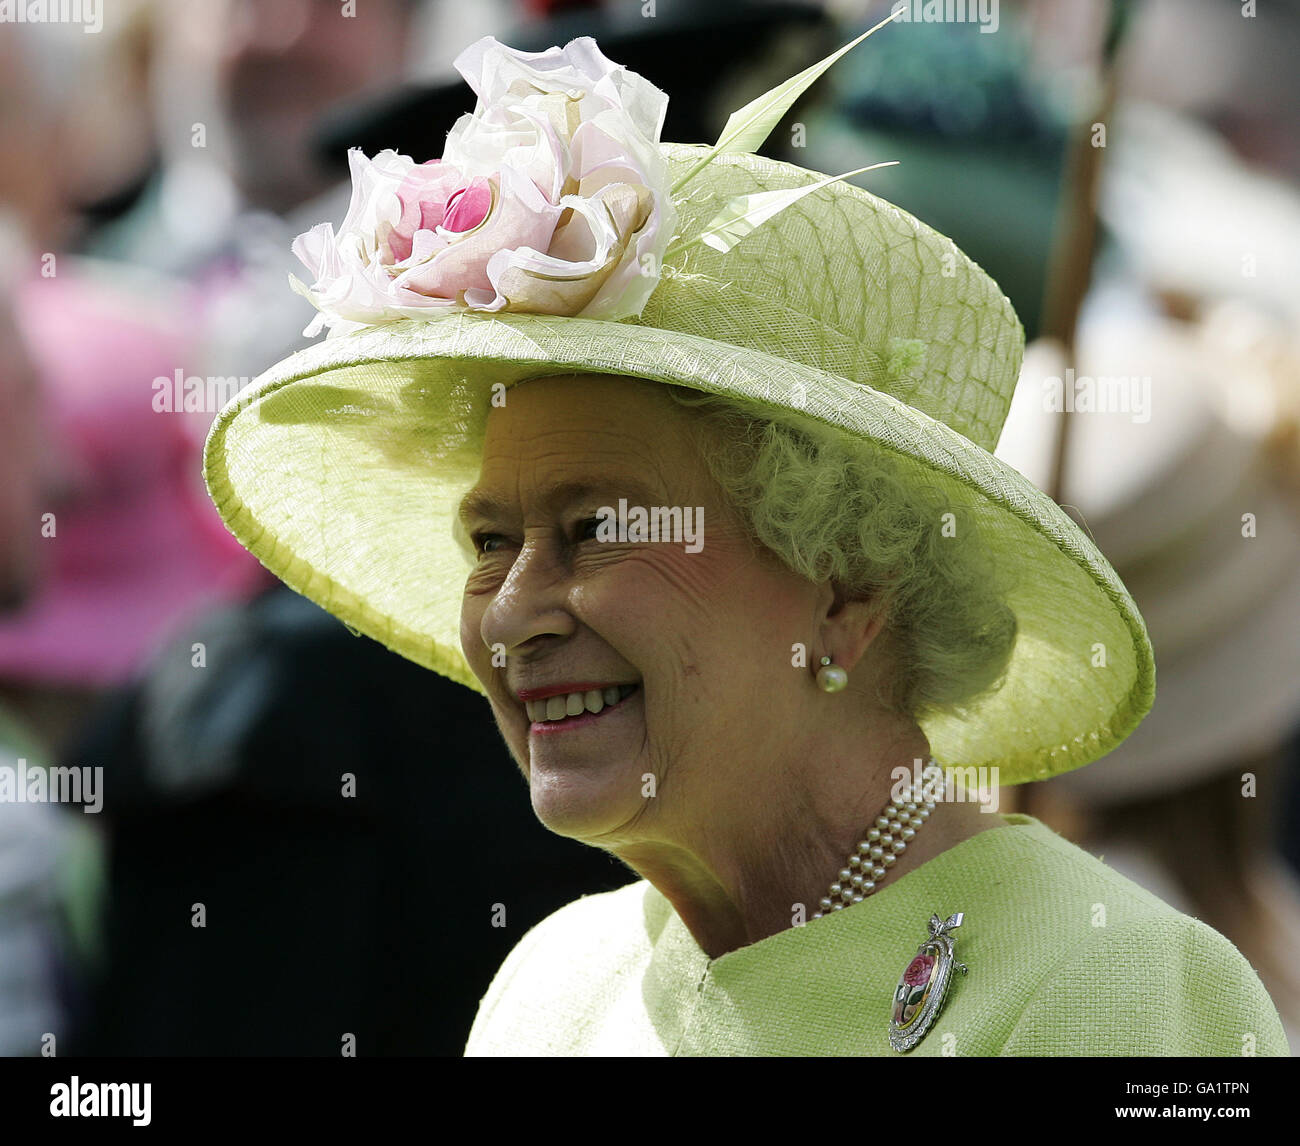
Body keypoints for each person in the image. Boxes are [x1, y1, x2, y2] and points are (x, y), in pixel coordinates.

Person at [201, 31, 1289, 1055]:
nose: (515, 610)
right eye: (491, 539)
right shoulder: (557, 987)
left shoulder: (1118, 989)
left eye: (594, 530)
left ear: (845, 585)